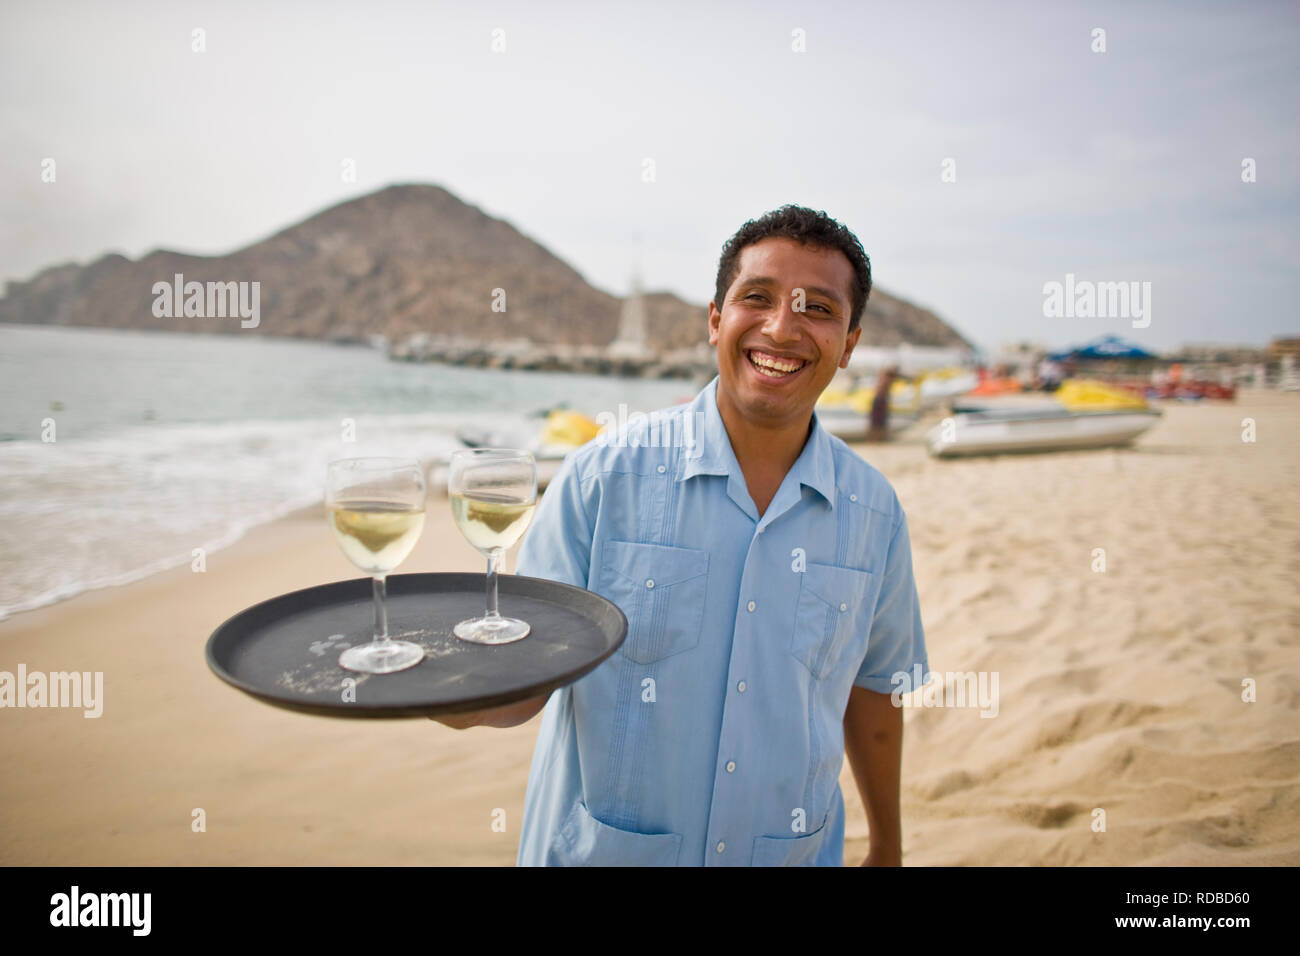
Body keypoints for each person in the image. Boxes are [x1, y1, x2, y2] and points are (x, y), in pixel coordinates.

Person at [434, 205, 930, 867]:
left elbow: (874, 687)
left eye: (818, 308)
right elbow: (530, 679)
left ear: (849, 344)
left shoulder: (874, 512)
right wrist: (449, 692)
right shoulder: (600, 479)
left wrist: (888, 848)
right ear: (716, 320)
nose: (782, 327)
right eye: (758, 297)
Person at [864, 366, 899, 441]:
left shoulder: (884, 378)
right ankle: (875, 439)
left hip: (880, 399)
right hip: (880, 400)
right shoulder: (886, 379)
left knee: (878, 421)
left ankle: (876, 439)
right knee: (877, 422)